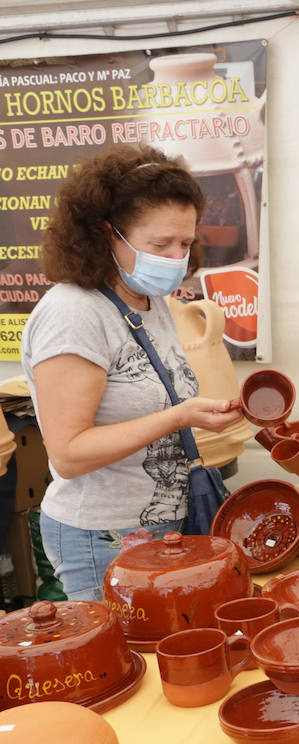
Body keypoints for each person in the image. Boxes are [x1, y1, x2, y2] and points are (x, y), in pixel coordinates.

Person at [21, 145, 242, 602]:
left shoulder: (148, 299)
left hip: (166, 525)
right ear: (106, 234)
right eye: (160, 244)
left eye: (185, 243)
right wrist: (180, 418)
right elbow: (68, 453)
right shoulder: (73, 314)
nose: (176, 256)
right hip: (103, 536)